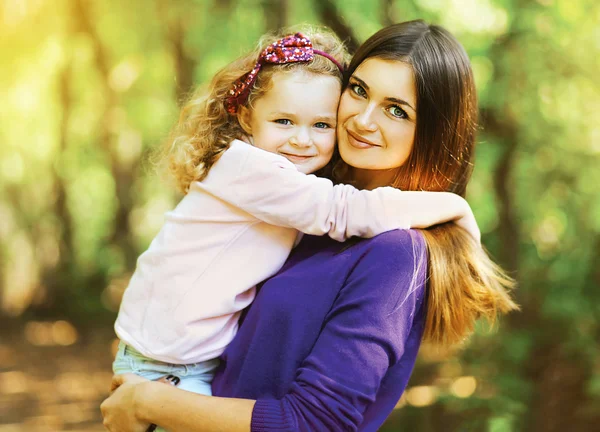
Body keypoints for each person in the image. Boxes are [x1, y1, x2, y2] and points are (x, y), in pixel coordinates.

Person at [101, 20, 518, 432]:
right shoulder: (303, 204)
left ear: (432, 132)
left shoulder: (396, 251)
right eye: (358, 90)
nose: (362, 120)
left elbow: (316, 423)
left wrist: (150, 402)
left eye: (396, 110)